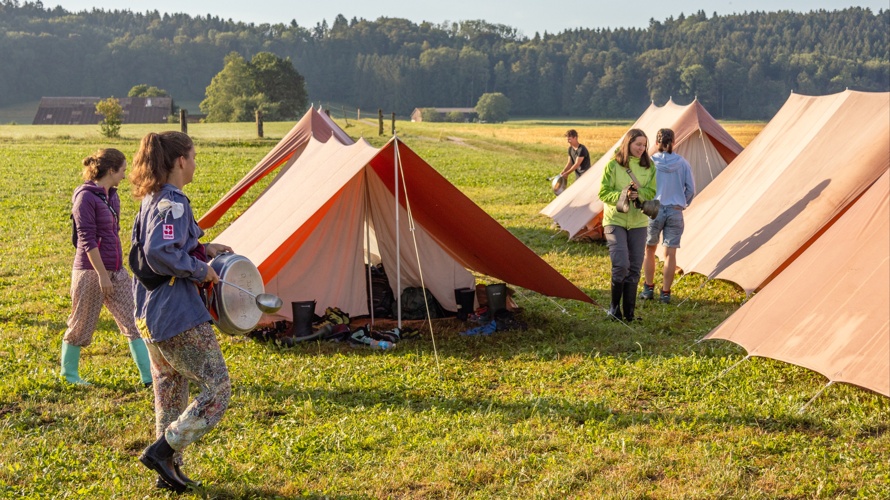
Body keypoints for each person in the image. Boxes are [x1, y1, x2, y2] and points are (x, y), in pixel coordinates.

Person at [129, 131, 233, 493]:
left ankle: (167, 472)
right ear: (180, 162)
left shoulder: (152, 198)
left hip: (148, 312)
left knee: (170, 390)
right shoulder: (173, 201)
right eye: (193, 155)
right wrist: (199, 269)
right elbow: (160, 251)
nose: (195, 162)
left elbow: (165, 245)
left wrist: (203, 249)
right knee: (218, 388)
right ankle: (161, 451)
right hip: (175, 313)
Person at [61, 148, 152, 386]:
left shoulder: (112, 196)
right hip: (91, 272)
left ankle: (148, 377)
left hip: (116, 269)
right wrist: (102, 275)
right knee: (82, 323)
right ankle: (69, 375)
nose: (125, 175)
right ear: (111, 170)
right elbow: (86, 239)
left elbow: (113, 233)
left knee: (135, 320)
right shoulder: (85, 197)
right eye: (122, 170)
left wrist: (115, 269)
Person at [598, 129, 656, 322]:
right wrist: (622, 195)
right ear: (628, 143)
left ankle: (629, 313)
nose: (642, 148)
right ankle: (614, 310)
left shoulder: (649, 166)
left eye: (644, 145)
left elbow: (652, 192)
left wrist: (638, 194)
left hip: (638, 222)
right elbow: (603, 193)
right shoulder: (613, 166)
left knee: (634, 268)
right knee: (621, 265)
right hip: (615, 220)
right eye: (638, 144)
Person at [641, 128, 695, 304]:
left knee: (649, 249)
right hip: (675, 210)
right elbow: (691, 189)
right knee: (670, 254)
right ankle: (665, 293)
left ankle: (648, 288)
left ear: (656, 143)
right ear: (674, 142)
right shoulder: (683, 163)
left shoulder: (650, 163)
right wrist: (682, 203)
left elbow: (643, 186)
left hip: (654, 208)